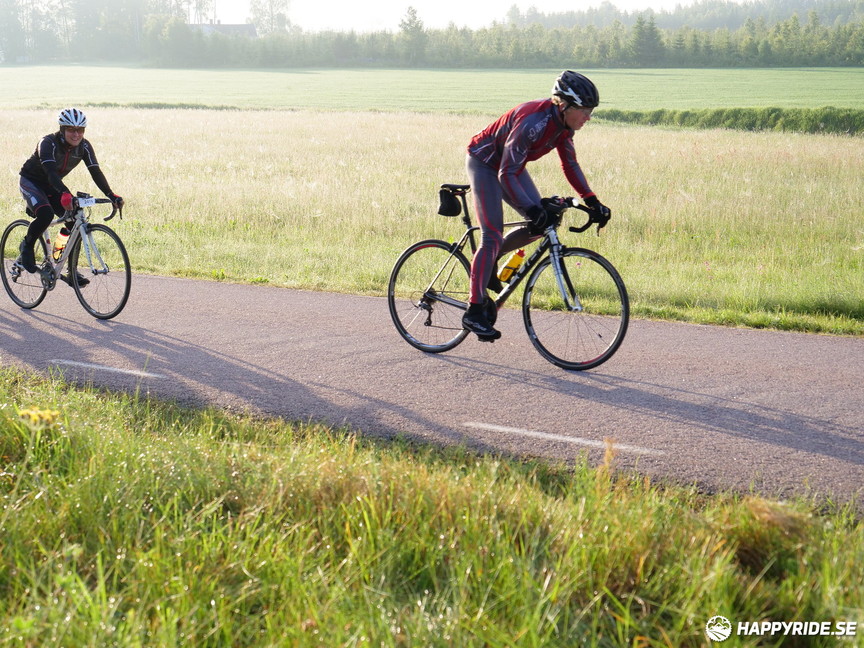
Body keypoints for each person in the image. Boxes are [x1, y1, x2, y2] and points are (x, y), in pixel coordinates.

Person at [461, 70, 611, 341]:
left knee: (545, 224)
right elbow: (504, 173)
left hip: (510, 166)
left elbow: (570, 164)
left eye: (591, 111)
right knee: (491, 235)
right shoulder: (533, 122)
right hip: (485, 162)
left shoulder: (564, 128)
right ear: (564, 106)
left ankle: (491, 260)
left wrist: (592, 200)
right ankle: (473, 311)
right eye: (585, 110)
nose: (588, 117)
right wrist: (531, 209)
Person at [17, 108, 124, 284]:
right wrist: (66, 194)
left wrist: (112, 195)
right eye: (71, 130)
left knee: (74, 221)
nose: (76, 134)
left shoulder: (84, 146)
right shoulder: (47, 143)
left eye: (80, 130)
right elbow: (51, 172)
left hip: (53, 186)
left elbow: (95, 171)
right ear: (62, 129)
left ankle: (68, 267)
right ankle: (27, 246)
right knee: (46, 214)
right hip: (31, 181)